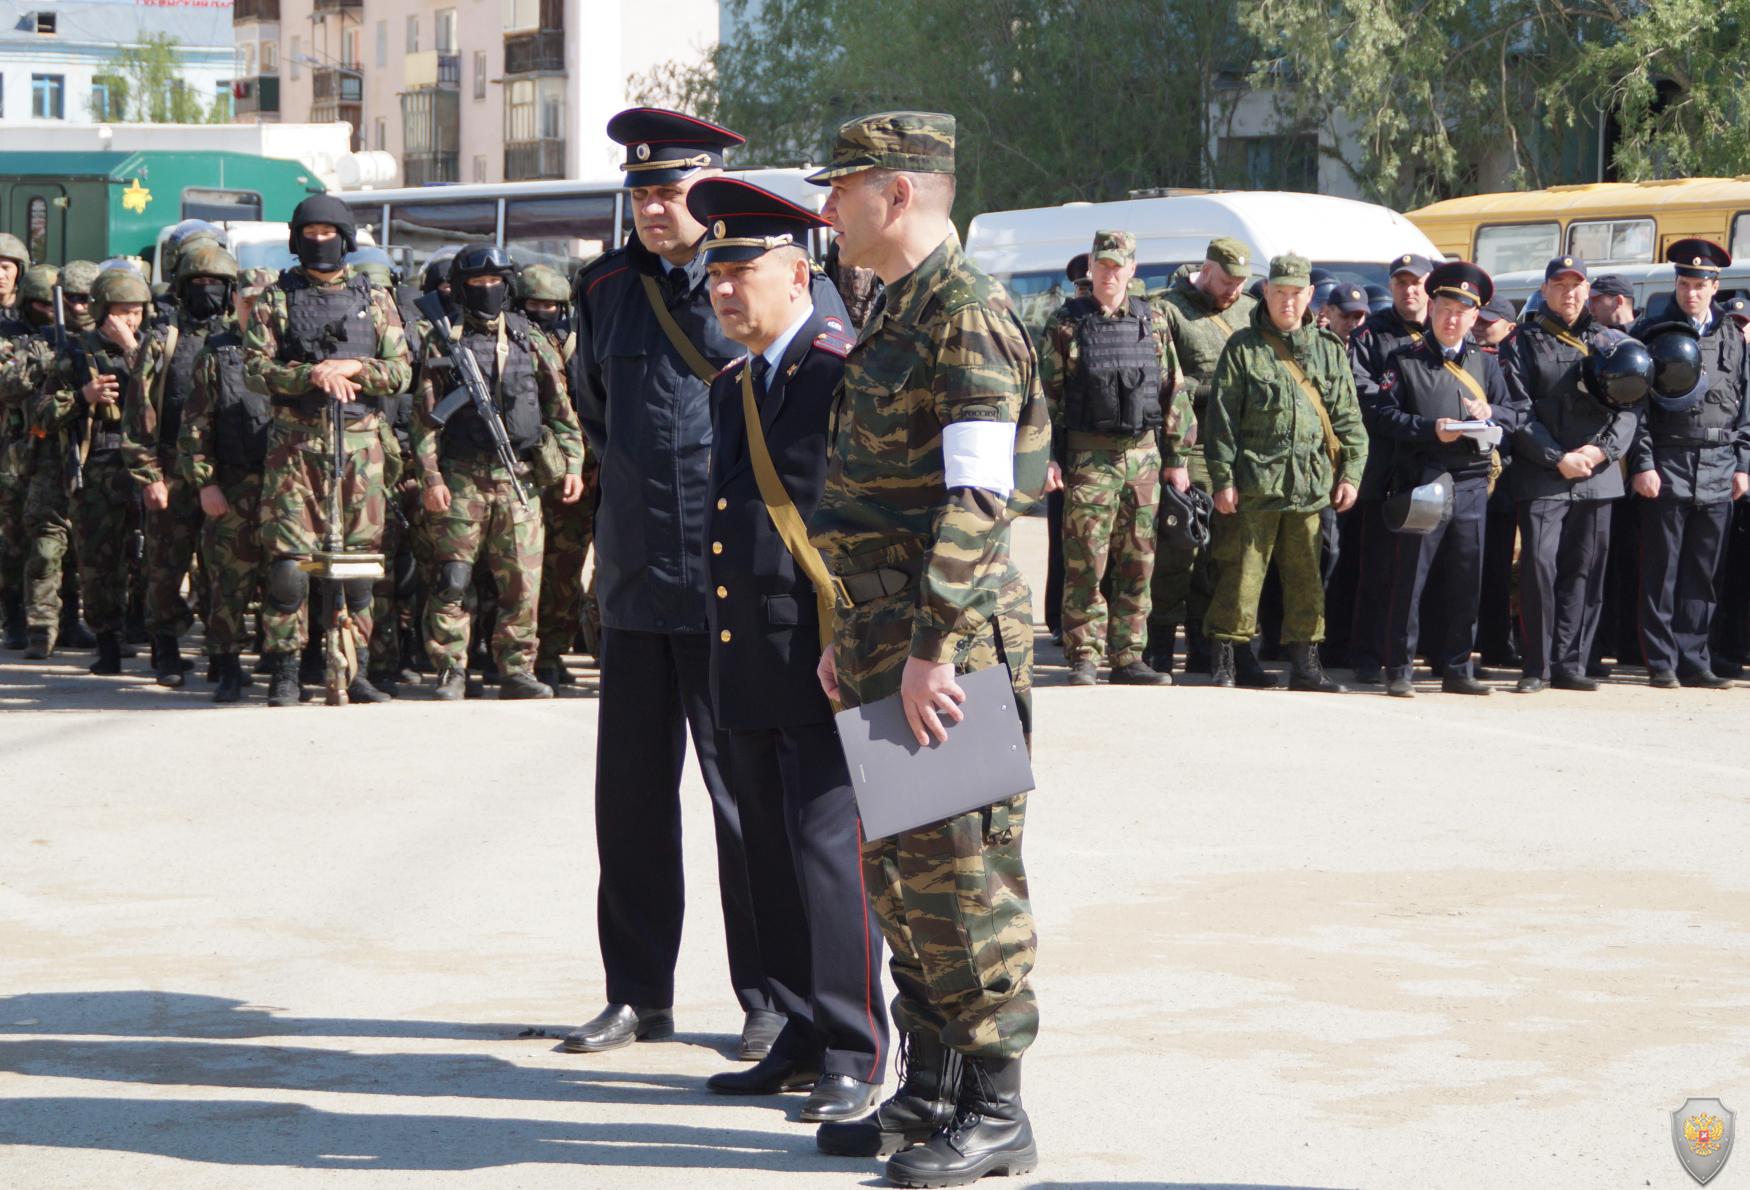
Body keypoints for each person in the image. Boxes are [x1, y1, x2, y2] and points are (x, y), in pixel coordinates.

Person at [564, 108, 845, 1059]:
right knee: (630, 801)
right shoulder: (603, 289)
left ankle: (769, 998)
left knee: (746, 807)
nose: (652, 208)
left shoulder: (754, 284)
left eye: (669, 190)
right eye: (639, 192)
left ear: (709, 189)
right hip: (639, 586)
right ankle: (638, 991)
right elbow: (597, 416)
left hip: (733, 592)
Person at [809, 110, 1045, 1186]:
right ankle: (934, 1086)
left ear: (895, 194)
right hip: (881, 638)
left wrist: (931, 645)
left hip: (943, 648)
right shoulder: (896, 306)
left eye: (841, 188)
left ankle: (998, 1112)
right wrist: (845, 635)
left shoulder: (968, 313)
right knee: (904, 880)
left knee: (963, 876)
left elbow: (980, 494)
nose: (826, 210)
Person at [684, 176, 889, 1124]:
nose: (723, 291)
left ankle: (854, 1045)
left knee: (824, 854)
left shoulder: (842, 372)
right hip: (750, 658)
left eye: (740, 271)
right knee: (765, 850)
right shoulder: (736, 384)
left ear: (799, 272)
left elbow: (873, 524)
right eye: (713, 272)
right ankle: (801, 1028)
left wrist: (853, 644)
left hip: (825, 661)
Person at [242, 193, 413, 707]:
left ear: (345, 239)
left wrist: (355, 368)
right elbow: (255, 368)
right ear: (297, 240)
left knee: (359, 567)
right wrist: (309, 373)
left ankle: (352, 668)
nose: (320, 242)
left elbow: (400, 371)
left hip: (362, 446)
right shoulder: (275, 299)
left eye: (329, 233)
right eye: (310, 234)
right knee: (290, 567)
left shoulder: (376, 300)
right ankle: (287, 670)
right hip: (296, 448)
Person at [411, 245, 585, 700]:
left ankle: (516, 669)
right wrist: (431, 479)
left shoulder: (531, 339)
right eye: (475, 284)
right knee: (453, 579)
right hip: (462, 476)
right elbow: (425, 421)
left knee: (522, 583)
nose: (486, 291)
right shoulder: (441, 338)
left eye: (494, 282)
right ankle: (451, 668)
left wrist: (573, 465)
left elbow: (561, 413)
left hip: (519, 480)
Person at [1203, 253, 1366, 692]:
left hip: (1310, 487)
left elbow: (1349, 420)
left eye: (1297, 294)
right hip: (1254, 485)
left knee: (1306, 581)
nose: (1288, 303)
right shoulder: (1244, 348)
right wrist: (1222, 480)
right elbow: (1221, 423)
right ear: (1267, 293)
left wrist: (1350, 474)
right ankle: (1228, 661)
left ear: (1311, 296)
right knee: (1241, 576)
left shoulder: (1328, 350)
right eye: (1280, 293)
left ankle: (1306, 665)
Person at [1041, 230, 1187, 686]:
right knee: (1086, 560)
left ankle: (1128, 655)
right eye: (1101, 265)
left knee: (1139, 559)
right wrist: (1046, 458)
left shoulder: (1153, 320)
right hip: (1089, 458)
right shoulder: (1066, 322)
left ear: (1132, 269)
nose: (1109, 273)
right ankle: (1084, 653)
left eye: (1117, 265)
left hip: (1142, 456)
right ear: (1091, 267)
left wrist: (1176, 457)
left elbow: (1172, 390)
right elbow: (1044, 397)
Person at [1499, 255, 1642, 693]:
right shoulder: (1520, 342)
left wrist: (1600, 452)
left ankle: (1570, 662)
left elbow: (1631, 406)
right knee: (1540, 567)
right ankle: (1537, 666)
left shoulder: (1611, 342)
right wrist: (1556, 456)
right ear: (1545, 291)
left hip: (1596, 475)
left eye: (1576, 284)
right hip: (1543, 472)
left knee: (1585, 569)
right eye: (1559, 285)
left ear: (1588, 290)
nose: (1568, 292)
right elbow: (1517, 409)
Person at [1372, 262, 1513, 697]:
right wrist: (1429, 429)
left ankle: (1457, 668)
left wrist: (1491, 415)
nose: (1452, 319)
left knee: (1466, 577)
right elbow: (1382, 415)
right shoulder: (1405, 360)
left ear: (1475, 318)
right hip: (1424, 478)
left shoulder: (1486, 366)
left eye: (1462, 312)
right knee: (1411, 578)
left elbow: (1514, 413)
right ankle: (1399, 667)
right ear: (1431, 309)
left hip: (1472, 481)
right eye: (1446, 308)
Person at [1628, 238, 1750, 688]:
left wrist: (1743, 464)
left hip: (1719, 463)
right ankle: (1661, 660)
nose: (1691, 291)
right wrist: (1643, 463)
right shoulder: (1653, 331)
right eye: (1684, 282)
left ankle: (1694, 656)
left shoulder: (1732, 336)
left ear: (1715, 286)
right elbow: (1634, 408)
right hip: (1669, 459)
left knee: (1704, 569)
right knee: (1662, 568)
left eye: (1700, 284)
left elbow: (1745, 406)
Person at [123, 241, 239, 687]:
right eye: (198, 283)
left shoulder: (242, 338)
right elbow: (139, 416)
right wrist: (149, 475)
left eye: (216, 284)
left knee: (224, 569)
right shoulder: (162, 339)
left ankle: (221, 652)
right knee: (165, 567)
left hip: (224, 472)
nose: (207, 291)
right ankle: (166, 649)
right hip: (172, 467)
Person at [1147, 237, 1260, 678]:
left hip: (1236, 446)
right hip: (1189, 442)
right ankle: (1159, 645)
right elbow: (1160, 382)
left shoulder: (1248, 308)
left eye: (1241, 282)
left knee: (1221, 550)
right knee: (1182, 548)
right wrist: (1215, 389)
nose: (1234, 289)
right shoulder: (1168, 310)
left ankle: (1202, 645)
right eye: (1228, 280)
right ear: (1207, 269)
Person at [34, 265, 151, 675]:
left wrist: (133, 348)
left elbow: (173, 399)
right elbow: (44, 413)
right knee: (100, 562)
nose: (130, 320)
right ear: (103, 310)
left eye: (136, 311)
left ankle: (154, 635)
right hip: (98, 464)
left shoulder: (153, 348)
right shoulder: (77, 352)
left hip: (145, 466)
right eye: (122, 311)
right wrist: (83, 396)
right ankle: (108, 641)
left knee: (147, 557)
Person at [177, 267, 275, 702]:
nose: (254, 310)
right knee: (229, 584)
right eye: (247, 301)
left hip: (284, 490)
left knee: (287, 582)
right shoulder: (215, 354)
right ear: (234, 301)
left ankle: (285, 666)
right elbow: (195, 427)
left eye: (262, 302)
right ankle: (229, 666)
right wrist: (206, 483)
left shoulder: (290, 353)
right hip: (233, 487)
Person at [1344, 252, 1432, 683]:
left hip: (1433, 469)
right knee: (1377, 568)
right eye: (1400, 282)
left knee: (1429, 570)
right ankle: (1366, 655)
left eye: (1416, 281)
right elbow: (1364, 396)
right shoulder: (1369, 336)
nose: (1409, 289)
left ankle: (1423, 652)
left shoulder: (1445, 329)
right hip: (1384, 468)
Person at [517, 262, 598, 689]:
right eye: (532, 304)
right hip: (519, 472)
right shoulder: (504, 344)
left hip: (571, 475)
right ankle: (515, 657)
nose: (541, 313)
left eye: (549, 306)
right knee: (516, 574)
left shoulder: (575, 347)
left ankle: (550, 653)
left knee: (563, 570)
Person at [1473, 294, 1523, 669]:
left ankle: (1496, 642)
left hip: (1504, 477)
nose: (1479, 326)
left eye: (1488, 322)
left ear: (1510, 327)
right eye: (1478, 319)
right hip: (1468, 474)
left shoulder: (1513, 361)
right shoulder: (1469, 357)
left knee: (1498, 569)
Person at [0, 232, 35, 648]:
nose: (0, 275)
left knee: (26, 532)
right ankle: (13, 616)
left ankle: (33, 617)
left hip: (30, 444)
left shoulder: (31, 324)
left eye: (6, 267)